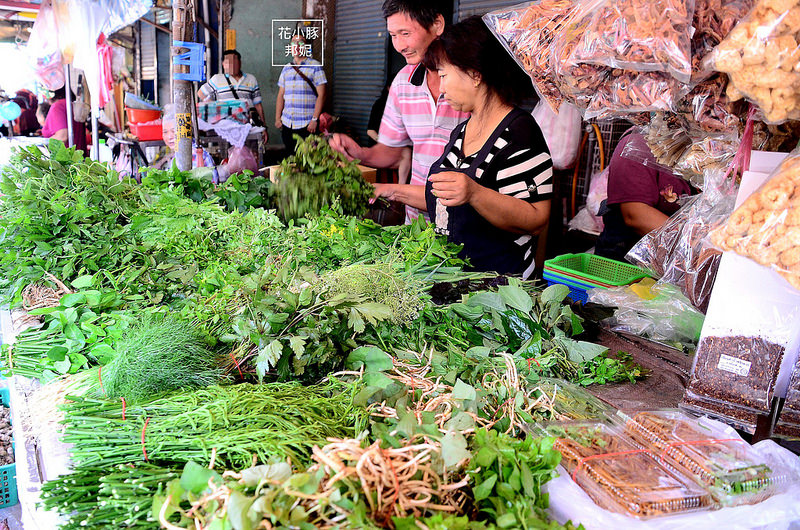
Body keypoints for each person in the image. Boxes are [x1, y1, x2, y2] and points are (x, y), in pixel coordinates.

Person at [372, 16, 553, 279]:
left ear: (474, 75)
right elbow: (445, 196)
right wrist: (388, 190)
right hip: (455, 279)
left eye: (444, 75)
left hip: (499, 287)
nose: (441, 88)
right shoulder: (463, 130)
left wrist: (476, 193)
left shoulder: (519, 132)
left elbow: (536, 217)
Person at [329, 0, 469, 223]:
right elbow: (392, 151)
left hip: (466, 225)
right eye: (393, 35)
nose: (400, 45)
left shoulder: (470, 80)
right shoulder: (403, 82)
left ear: (437, 24)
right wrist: (359, 153)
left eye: (405, 33)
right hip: (418, 224)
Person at [595, 132, 697, 261]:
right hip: (628, 259)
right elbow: (635, 215)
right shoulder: (636, 145)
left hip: (672, 257)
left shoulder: (699, 150)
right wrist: (696, 244)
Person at [275, 33, 327, 156]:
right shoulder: (286, 68)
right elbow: (280, 95)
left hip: (307, 125)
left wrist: (314, 119)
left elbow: (322, 95)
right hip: (288, 123)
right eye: (293, 42)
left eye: (301, 42)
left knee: (308, 159)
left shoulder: (315, 66)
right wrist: (278, 118)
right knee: (291, 158)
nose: (297, 46)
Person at [197, 49, 266, 133]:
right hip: (224, 128)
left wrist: (263, 126)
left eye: (234, 61)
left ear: (240, 63)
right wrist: (215, 106)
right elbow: (200, 93)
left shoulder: (251, 79)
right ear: (223, 64)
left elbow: (258, 105)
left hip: (248, 127)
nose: (231, 65)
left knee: (250, 146)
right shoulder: (217, 79)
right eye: (227, 62)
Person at [152, 104, 214, 170]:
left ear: (185, 131)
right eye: (165, 132)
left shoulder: (192, 154)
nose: (169, 137)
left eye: (174, 131)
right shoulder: (178, 154)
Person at [42, 86, 87, 152]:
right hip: (78, 157)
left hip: (65, 158)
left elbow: (62, 137)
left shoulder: (58, 106)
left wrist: (40, 143)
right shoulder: (71, 105)